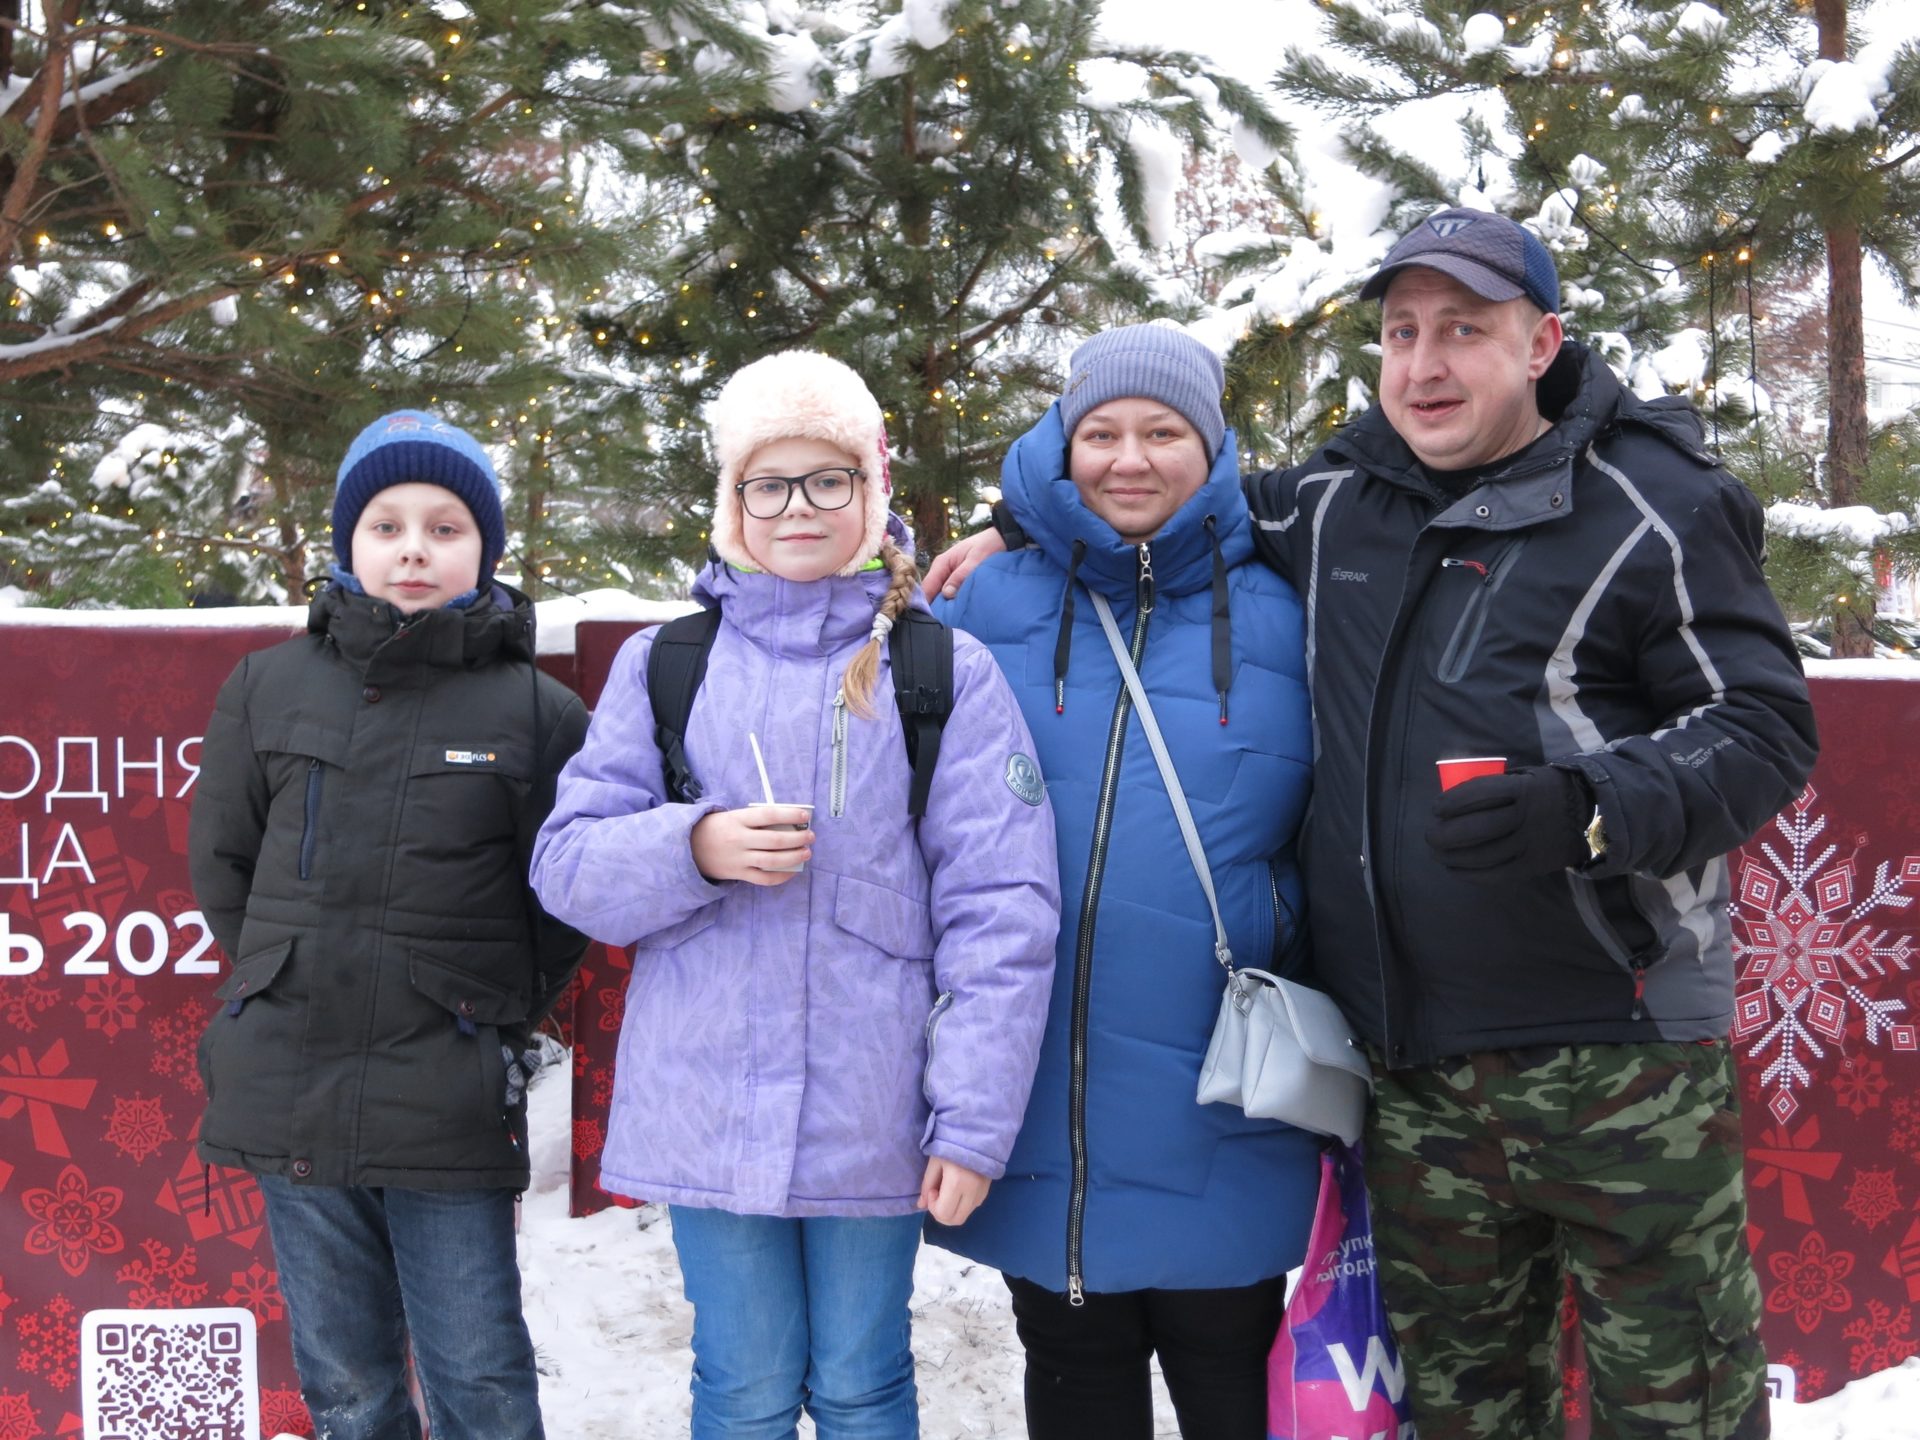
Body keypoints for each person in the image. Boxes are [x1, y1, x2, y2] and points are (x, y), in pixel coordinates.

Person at [930, 210, 1819, 1439]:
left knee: (1679, 1408)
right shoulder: (1336, 500)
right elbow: (1160, 495)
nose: (1426, 365)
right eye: (1403, 333)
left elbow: (1763, 726)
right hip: (1412, 1069)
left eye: (1464, 330)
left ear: (1541, 343)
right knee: (1463, 1411)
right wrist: (1023, 518)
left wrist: (1591, 807)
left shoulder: (1652, 503)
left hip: (1616, 1055)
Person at [528, 349, 1060, 1440]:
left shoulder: (942, 671)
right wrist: (694, 846)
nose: (799, 507)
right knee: (744, 1387)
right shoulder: (665, 663)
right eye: (768, 483)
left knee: (864, 1382)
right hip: (708, 1103)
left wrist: (970, 1123)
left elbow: (1001, 910)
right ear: (733, 502)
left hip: (874, 1108)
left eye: (828, 478)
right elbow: (569, 867)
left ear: (873, 489)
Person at [923, 322, 1321, 1440]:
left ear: (1215, 448)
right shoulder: (984, 603)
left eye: (1163, 432)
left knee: (1230, 1370)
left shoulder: (1292, 605)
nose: (1129, 459)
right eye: (1100, 432)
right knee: (1073, 1365)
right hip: (1043, 1085)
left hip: (1227, 1083)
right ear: (1063, 446)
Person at [189, 411, 592, 1440]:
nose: (414, 549)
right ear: (349, 543)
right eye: (387, 525)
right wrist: (284, 973)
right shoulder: (267, 686)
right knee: (348, 1388)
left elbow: (562, 901)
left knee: (481, 1382)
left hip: (448, 1093)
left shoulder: (539, 713)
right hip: (293, 1085)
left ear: (484, 550)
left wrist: (483, 1014)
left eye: (445, 527)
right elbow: (226, 867)